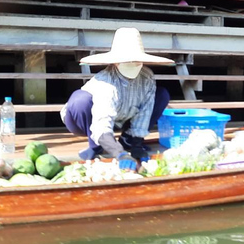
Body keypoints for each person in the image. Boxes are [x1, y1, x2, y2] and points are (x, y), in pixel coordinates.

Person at [61, 28, 172, 169]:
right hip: (83, 120)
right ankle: (95, 146)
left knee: (162, 95)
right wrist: (119, 153)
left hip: (121, 118)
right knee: (81, 101)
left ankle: (128, 140)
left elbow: (145, 111)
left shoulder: (147, 77)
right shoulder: (106, 82)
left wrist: (136, 144)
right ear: (115, 62)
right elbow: (101, 123)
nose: (132, 64)